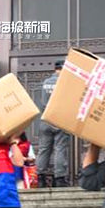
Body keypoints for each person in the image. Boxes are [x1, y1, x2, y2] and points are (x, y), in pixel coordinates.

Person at [38, 59, 71, 188]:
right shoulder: (64, 83)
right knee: (60, 149)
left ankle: (40, 178)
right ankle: (60, 179)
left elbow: (42, 101)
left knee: (44, 149)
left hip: (45, 119)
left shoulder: (45, 83)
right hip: (59, 119)